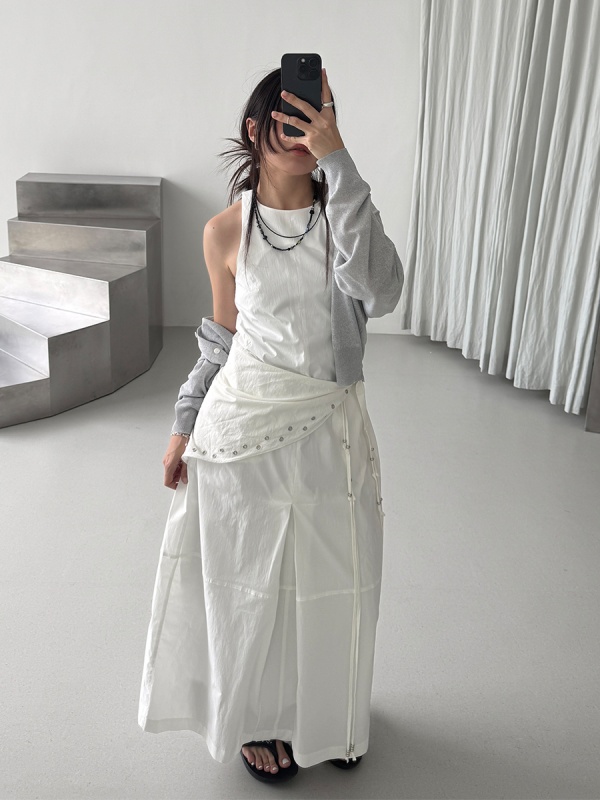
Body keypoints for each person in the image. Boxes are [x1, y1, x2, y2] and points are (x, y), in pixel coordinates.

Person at [137, 65, 403, 784]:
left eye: (319, 113)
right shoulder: (225, 230)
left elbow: (381, 292)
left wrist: (339, 164)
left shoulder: (347, 212)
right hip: (241, 432)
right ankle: (257, 718)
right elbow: (220, 342)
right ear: (256, 130)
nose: (303, 128)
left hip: (330, 429)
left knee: (339, 579)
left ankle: (331, 715)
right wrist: (182, 424)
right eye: (288, 117)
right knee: (251, 581)